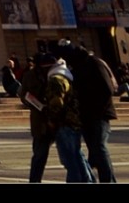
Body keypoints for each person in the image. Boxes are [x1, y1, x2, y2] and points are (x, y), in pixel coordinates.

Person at [23, 47, 92, 185]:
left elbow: (56, 103)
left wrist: (52, 119)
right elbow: (23, 94)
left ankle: (81, 180)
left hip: (61, 121)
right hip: (44, 121)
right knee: (52, 154)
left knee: (70, 157)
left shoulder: (56, 79)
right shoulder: (33, 76)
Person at [61, 37, 118, 182]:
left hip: (99, 113)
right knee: (94, 149)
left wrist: (97, 109)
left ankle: (108, 180)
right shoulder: (77, 67)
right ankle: (96, 177)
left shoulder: (94, 63)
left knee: (99, 147)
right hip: (86, 114)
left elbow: (107, 88)